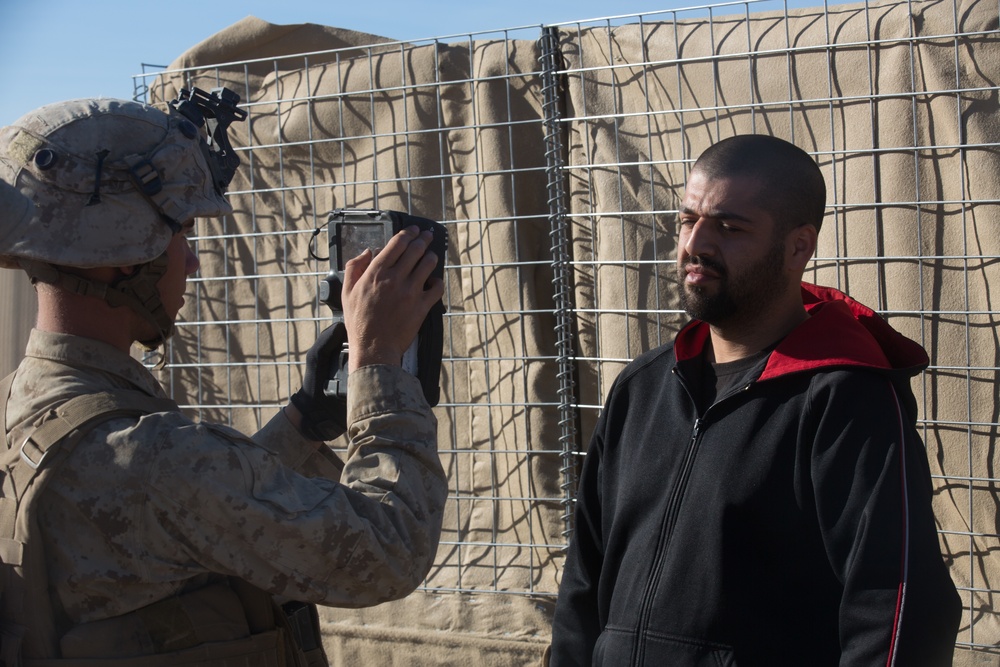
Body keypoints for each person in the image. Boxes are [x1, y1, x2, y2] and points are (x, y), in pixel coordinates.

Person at [0, 94, 447, 665]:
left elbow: (195, 515)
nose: (190, 262)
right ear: (121, 257)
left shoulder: (32, 403)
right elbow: (389, 550)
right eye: (180, 233)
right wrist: (380, 365)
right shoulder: (148, 455)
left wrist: (301, 423)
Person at [549, 134, 961, 666]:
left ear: (798, 247)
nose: (695, 243)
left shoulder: (846, 399)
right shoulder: (642, 388)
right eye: (688, 219)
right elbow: (583, 583)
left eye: (729, 226)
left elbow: (901, 605)